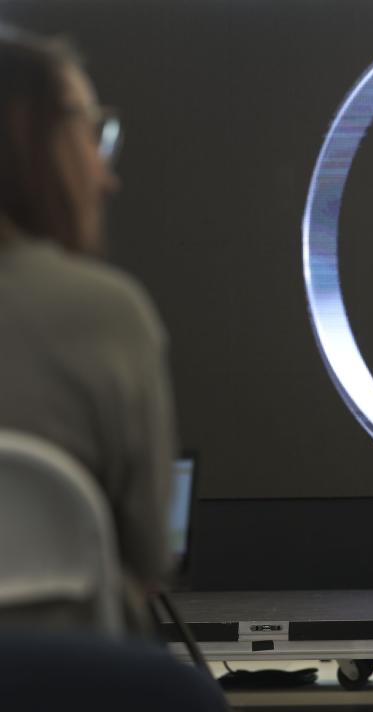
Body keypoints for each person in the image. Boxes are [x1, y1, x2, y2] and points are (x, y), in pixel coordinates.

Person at [0, 26, 176, 632]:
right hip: (65, 675)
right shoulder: (105, 312)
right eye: (91, 132)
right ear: (34, 141)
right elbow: (150, 555)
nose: (106, 178)